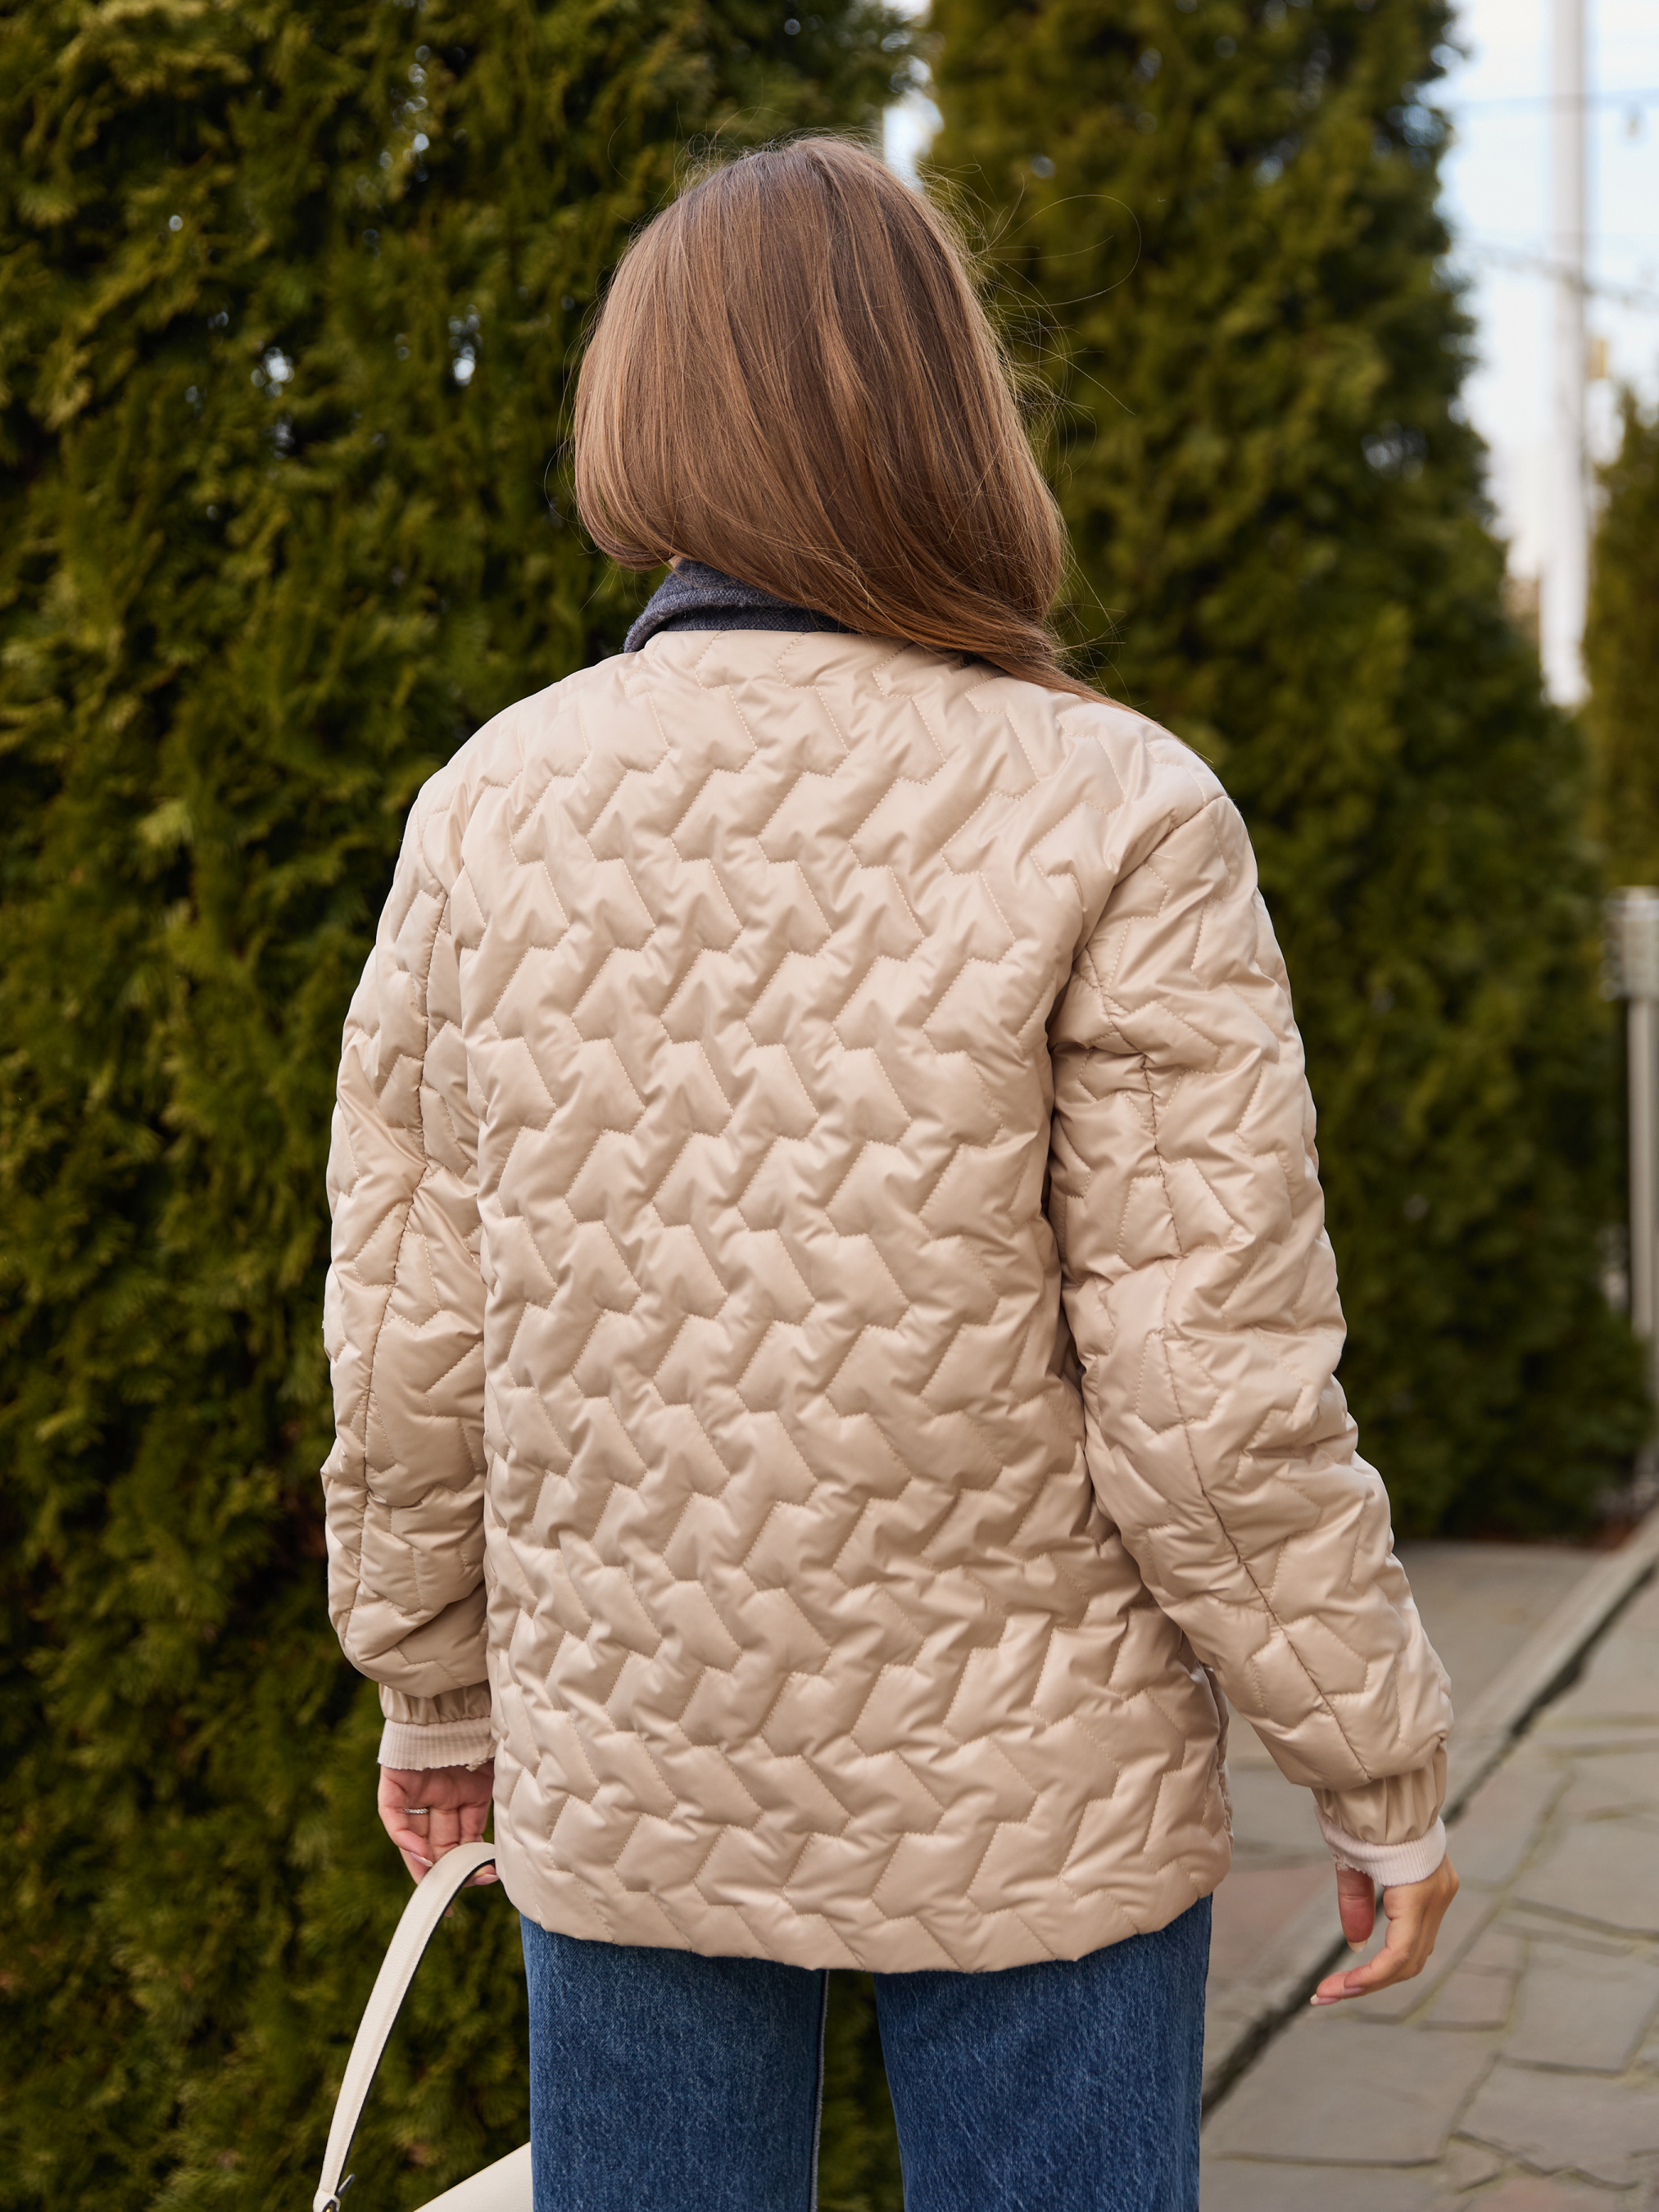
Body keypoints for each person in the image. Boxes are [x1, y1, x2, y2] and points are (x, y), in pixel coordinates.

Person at [320, 135, 1457, 2212]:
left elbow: (411, 1328)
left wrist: (432, 1683)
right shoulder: (1117, 805)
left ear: (638, 412)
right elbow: (1206, 1391)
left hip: (636, 1761)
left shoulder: (489, 804)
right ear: (954, 409)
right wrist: (1367, 1759)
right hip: (1041, 1787)